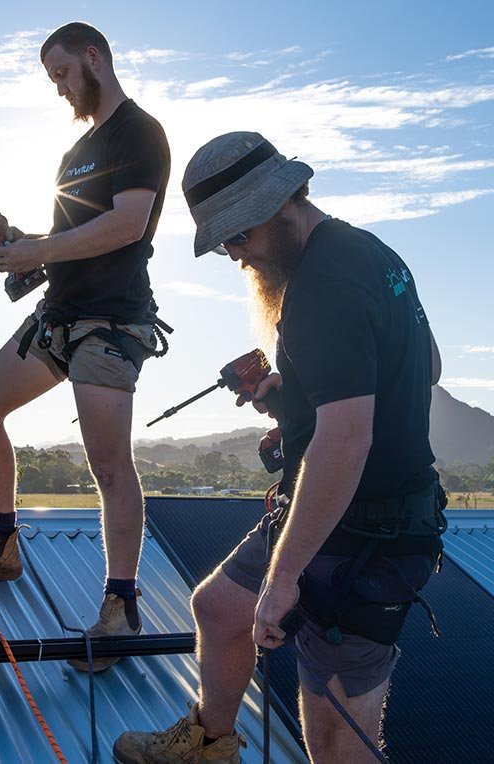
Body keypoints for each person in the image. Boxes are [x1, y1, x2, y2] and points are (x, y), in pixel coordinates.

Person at [113, 132, 446, 763]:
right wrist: (296, 392)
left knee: (335, 738)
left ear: (281, 204)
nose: (236, 256)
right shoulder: (373, 253)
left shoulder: (321, 285)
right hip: (324, 512)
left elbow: (346, 440)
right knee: (218, 608)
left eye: (239, 236)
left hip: (365, 538)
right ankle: (210, 745)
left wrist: (285, 576)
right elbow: (423, 364)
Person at [0, 22, 171, 670]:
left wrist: (41, 249)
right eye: (53, 79)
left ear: (94, 58)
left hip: (111, 321)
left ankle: (120, 609)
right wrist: (27, 252)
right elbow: (76, 231)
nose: (60, 88)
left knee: (107, 464)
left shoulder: (139, 132)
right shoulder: (76, 153)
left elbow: (127, 224)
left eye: (63, 73)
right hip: (59, 312)